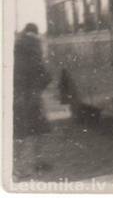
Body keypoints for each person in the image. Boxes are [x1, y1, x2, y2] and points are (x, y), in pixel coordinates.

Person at [13, 23, 52, 179]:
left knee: (20, 133)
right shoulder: (35, 47)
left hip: (18, 97)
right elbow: (45, 75)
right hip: (33, 97)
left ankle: (16, 167)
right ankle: (37, 161)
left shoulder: (16, 47)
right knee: (38, 130)